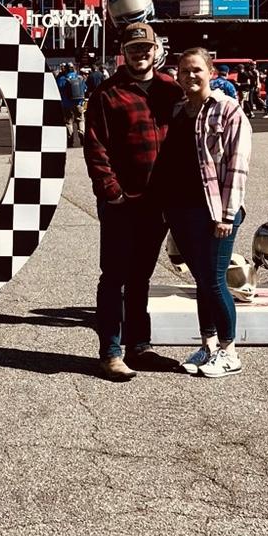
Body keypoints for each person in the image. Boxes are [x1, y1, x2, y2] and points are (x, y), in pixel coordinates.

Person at [83, 23, 182, 381]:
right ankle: (111, 352)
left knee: (141, 277)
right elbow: (95, 147)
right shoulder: (107, 94)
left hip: (158, 202)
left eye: (146, 48)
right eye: (134, 48)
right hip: (122, 202)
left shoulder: (172, 89)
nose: (141, 54)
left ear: (156, 51)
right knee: (114, 277)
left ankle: (139, 347)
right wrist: (111, 192)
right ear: (123, 52)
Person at [155, 48, 251, 379]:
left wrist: (227, 215)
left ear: (211, 71)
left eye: (197, 69)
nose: (190, 76)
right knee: (201, 280)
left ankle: (229, 351)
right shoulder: (178, 110)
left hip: (214, 211)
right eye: (184, 71)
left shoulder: (228, 110)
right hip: (181, 209)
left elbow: (237, 166)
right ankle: (208, 346)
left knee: (214, 280)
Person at [60, 63, 87, 146]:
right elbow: (85, 89)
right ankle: (81, 131)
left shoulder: (62, 79)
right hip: (78, 103)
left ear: (66, 69)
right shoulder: (80, 78)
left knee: (68, 122)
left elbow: (59, 90)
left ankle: (70, 138)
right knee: (80, 119)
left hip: (66, 104)